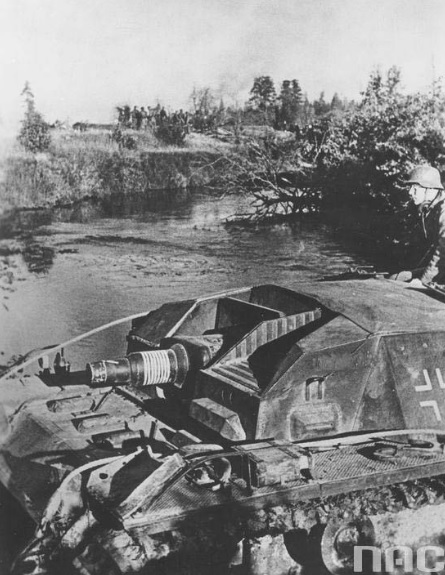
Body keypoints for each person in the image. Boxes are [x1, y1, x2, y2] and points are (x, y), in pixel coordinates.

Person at [393, 165, 445, 286]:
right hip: (440, 268)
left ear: (430, 190)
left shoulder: (443, 211)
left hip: (441, 267)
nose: (410, 192)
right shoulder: (430, 209)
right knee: (396, 278)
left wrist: (423, 281)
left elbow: (442, 251)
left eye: (415, 189)